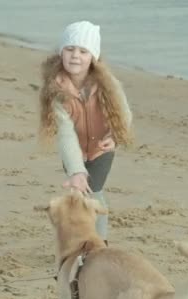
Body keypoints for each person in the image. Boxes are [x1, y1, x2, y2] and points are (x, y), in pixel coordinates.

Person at [38, 20, 134, 244]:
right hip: (74, 149)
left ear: (93, 57)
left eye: (83, 51)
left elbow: (124, 113)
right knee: (78, 191)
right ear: (61, 53)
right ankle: (78, 239)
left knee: (95, 192)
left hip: (102, 147)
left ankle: (99, 243)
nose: (75, 56)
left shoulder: (107, 83)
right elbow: (65, 133)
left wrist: (115, 137)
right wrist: (76, 171)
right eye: (69, 49)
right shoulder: (56, 88)